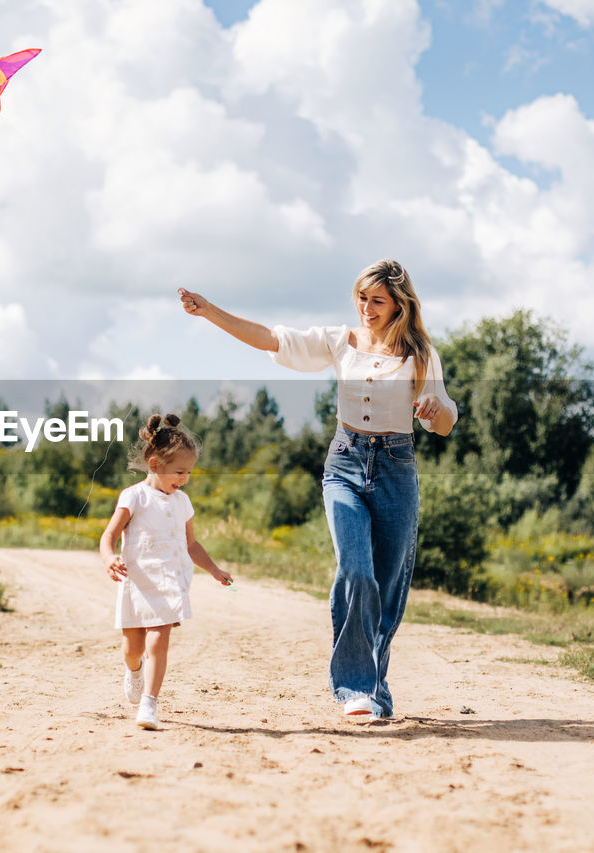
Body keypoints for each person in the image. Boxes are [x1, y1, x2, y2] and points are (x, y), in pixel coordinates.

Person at [179, 259, 457, 720]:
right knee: (356, 571)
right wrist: (211, 312)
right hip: (344, 464)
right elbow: (273, 339)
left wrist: (431, 408)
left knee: (388, 586)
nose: (367, 309)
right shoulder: (339, 340)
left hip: (395, 467)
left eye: (378, 301)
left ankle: (375, 685)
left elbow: (446, 421)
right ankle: (354, 688)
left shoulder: (420, 352)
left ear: (399, 306)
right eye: (362, 299)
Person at [99, 413, 234, 729]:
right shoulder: (134, 497)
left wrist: (214, 569)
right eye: (179, 471)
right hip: (136, 583)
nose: (185, 478)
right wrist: (108, 559)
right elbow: (109, 536)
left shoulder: (183, 502)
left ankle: (149, 704)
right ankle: (134, 671)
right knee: (133, 649)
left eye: (189, 472)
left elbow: (191, 544)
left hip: (171, 582)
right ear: (155, 465)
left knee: (159, 639)